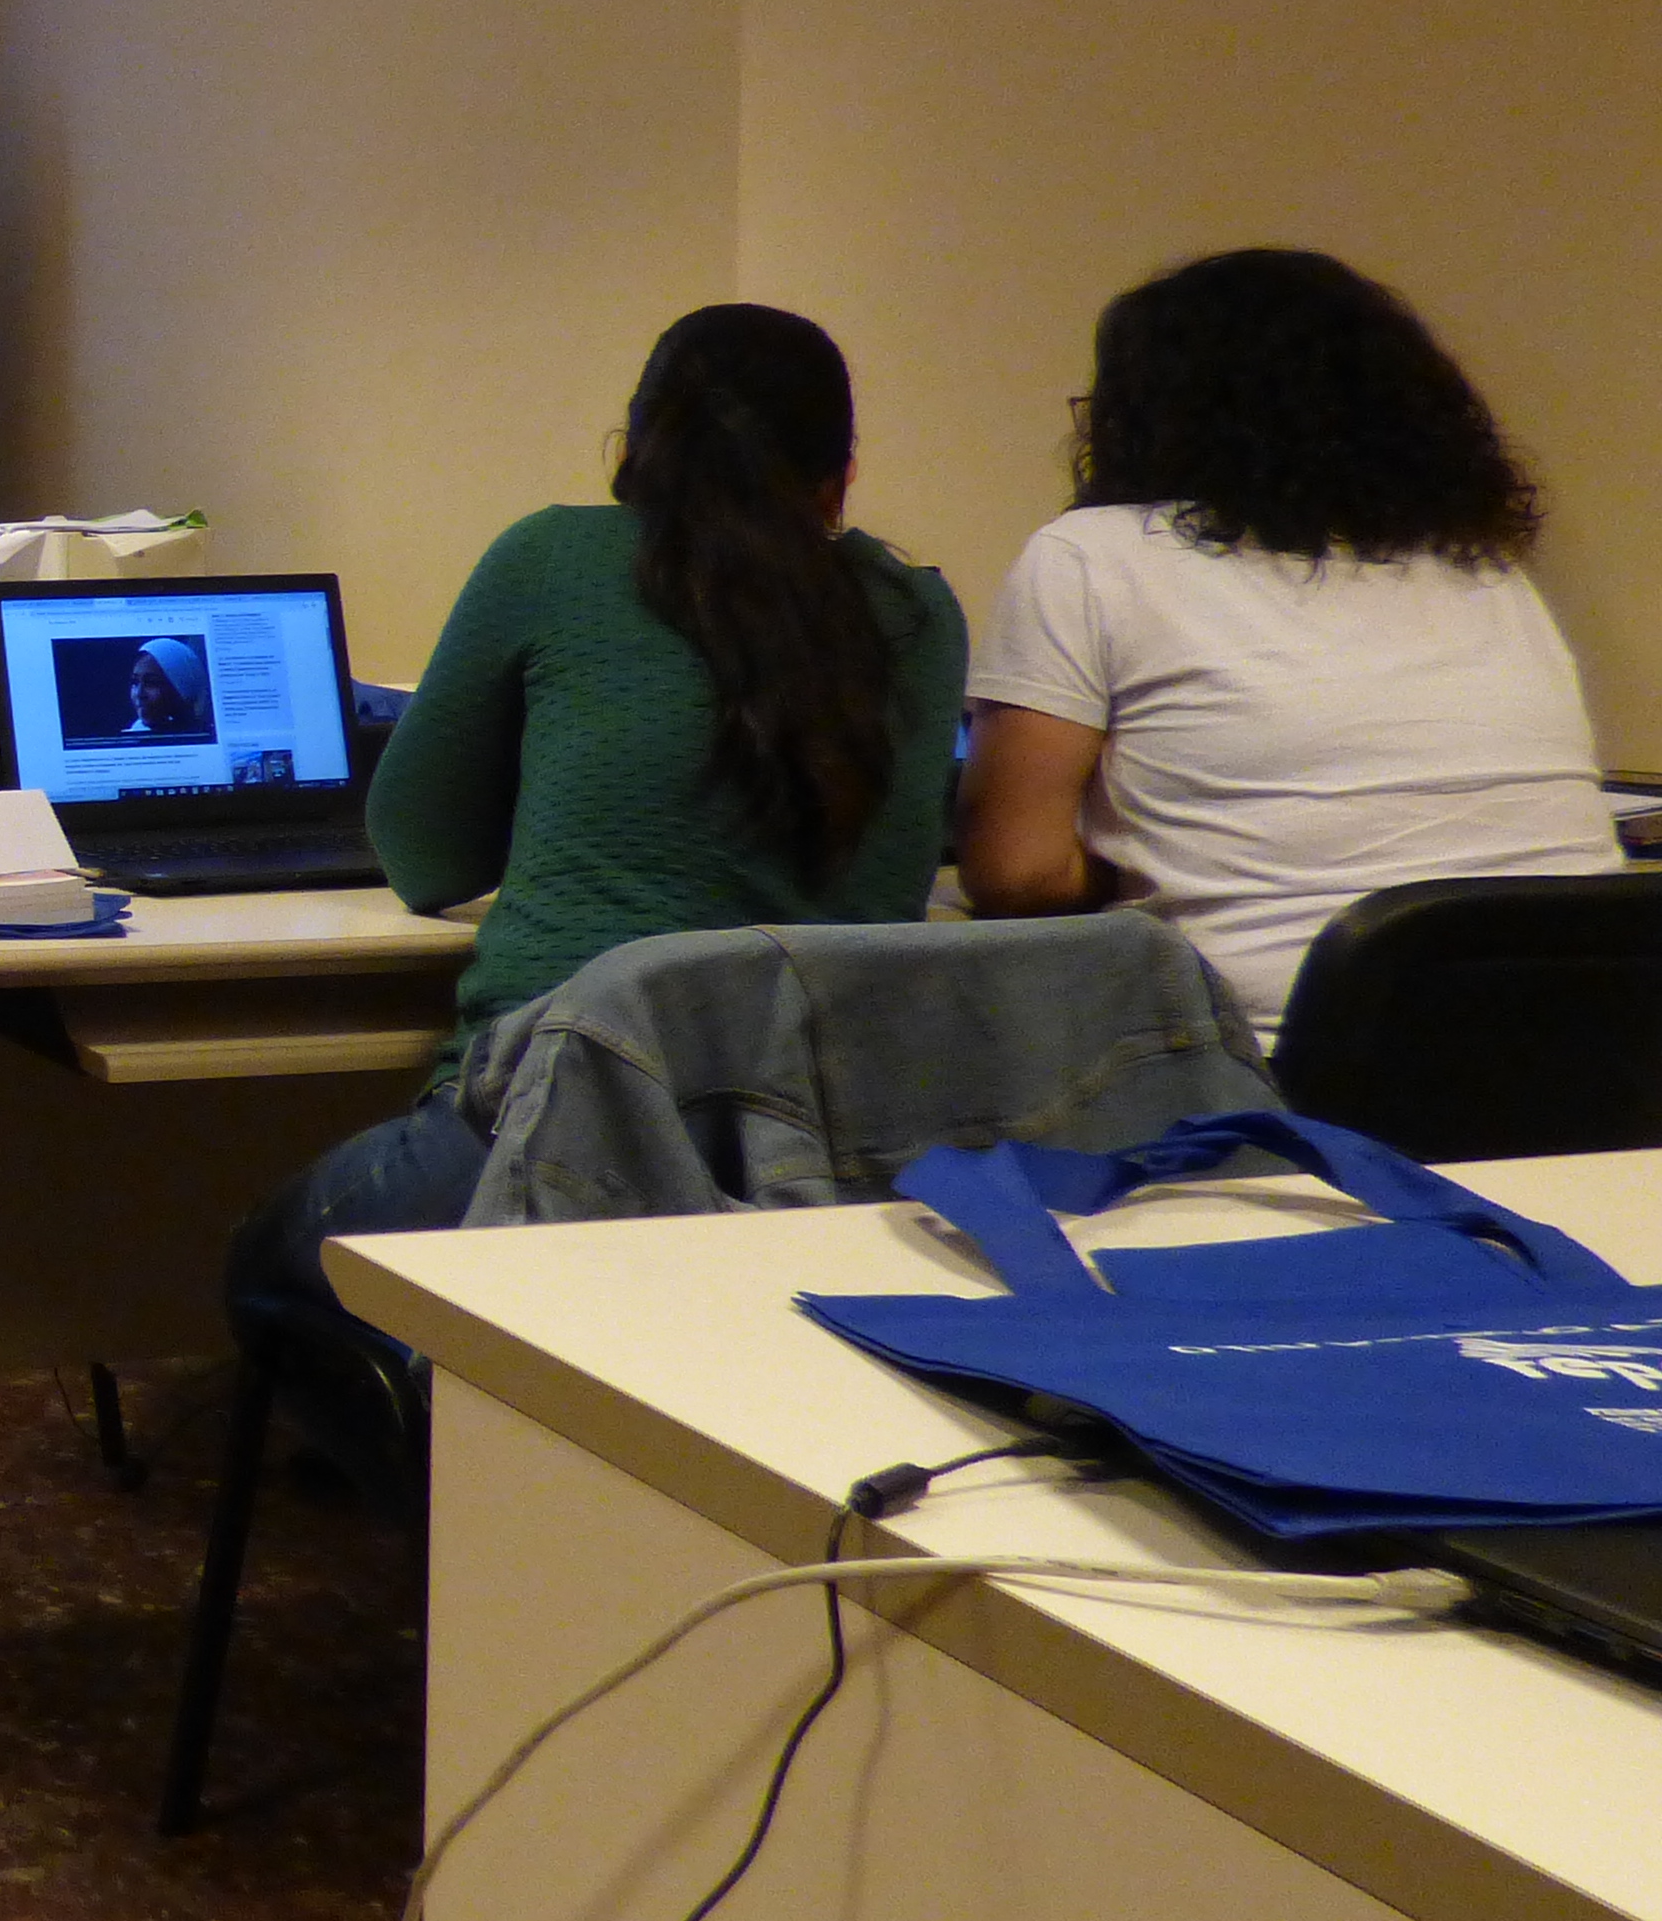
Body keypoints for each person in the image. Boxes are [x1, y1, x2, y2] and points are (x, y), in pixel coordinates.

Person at [235, 304, 970, 1325]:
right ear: (839, 477)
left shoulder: (551, 559)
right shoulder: (920, 614)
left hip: (549, 1120)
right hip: (814, 1162)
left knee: (265, 1259)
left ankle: (430, 1420)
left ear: (637, 446)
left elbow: (421, 854)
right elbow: (891, 889)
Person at [957, 248, 1618, 1028]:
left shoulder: (1091, 554)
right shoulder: (1484, 567)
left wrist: (1137, 861)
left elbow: (1017, 877)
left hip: (1281, 1064)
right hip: (1593, 1039)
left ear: (1144, 416)